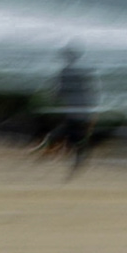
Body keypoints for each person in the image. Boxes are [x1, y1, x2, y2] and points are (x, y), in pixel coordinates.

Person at [45, 44, 98, 174]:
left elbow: (58, 93)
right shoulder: (82, 72)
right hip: (84, 110)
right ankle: (77, 164)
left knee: (58, 135)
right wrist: (92, 111)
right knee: (78, 139)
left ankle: (72, 165)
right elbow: (90, 92)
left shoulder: (64, 72)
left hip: (71, 112)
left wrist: (52, 96)